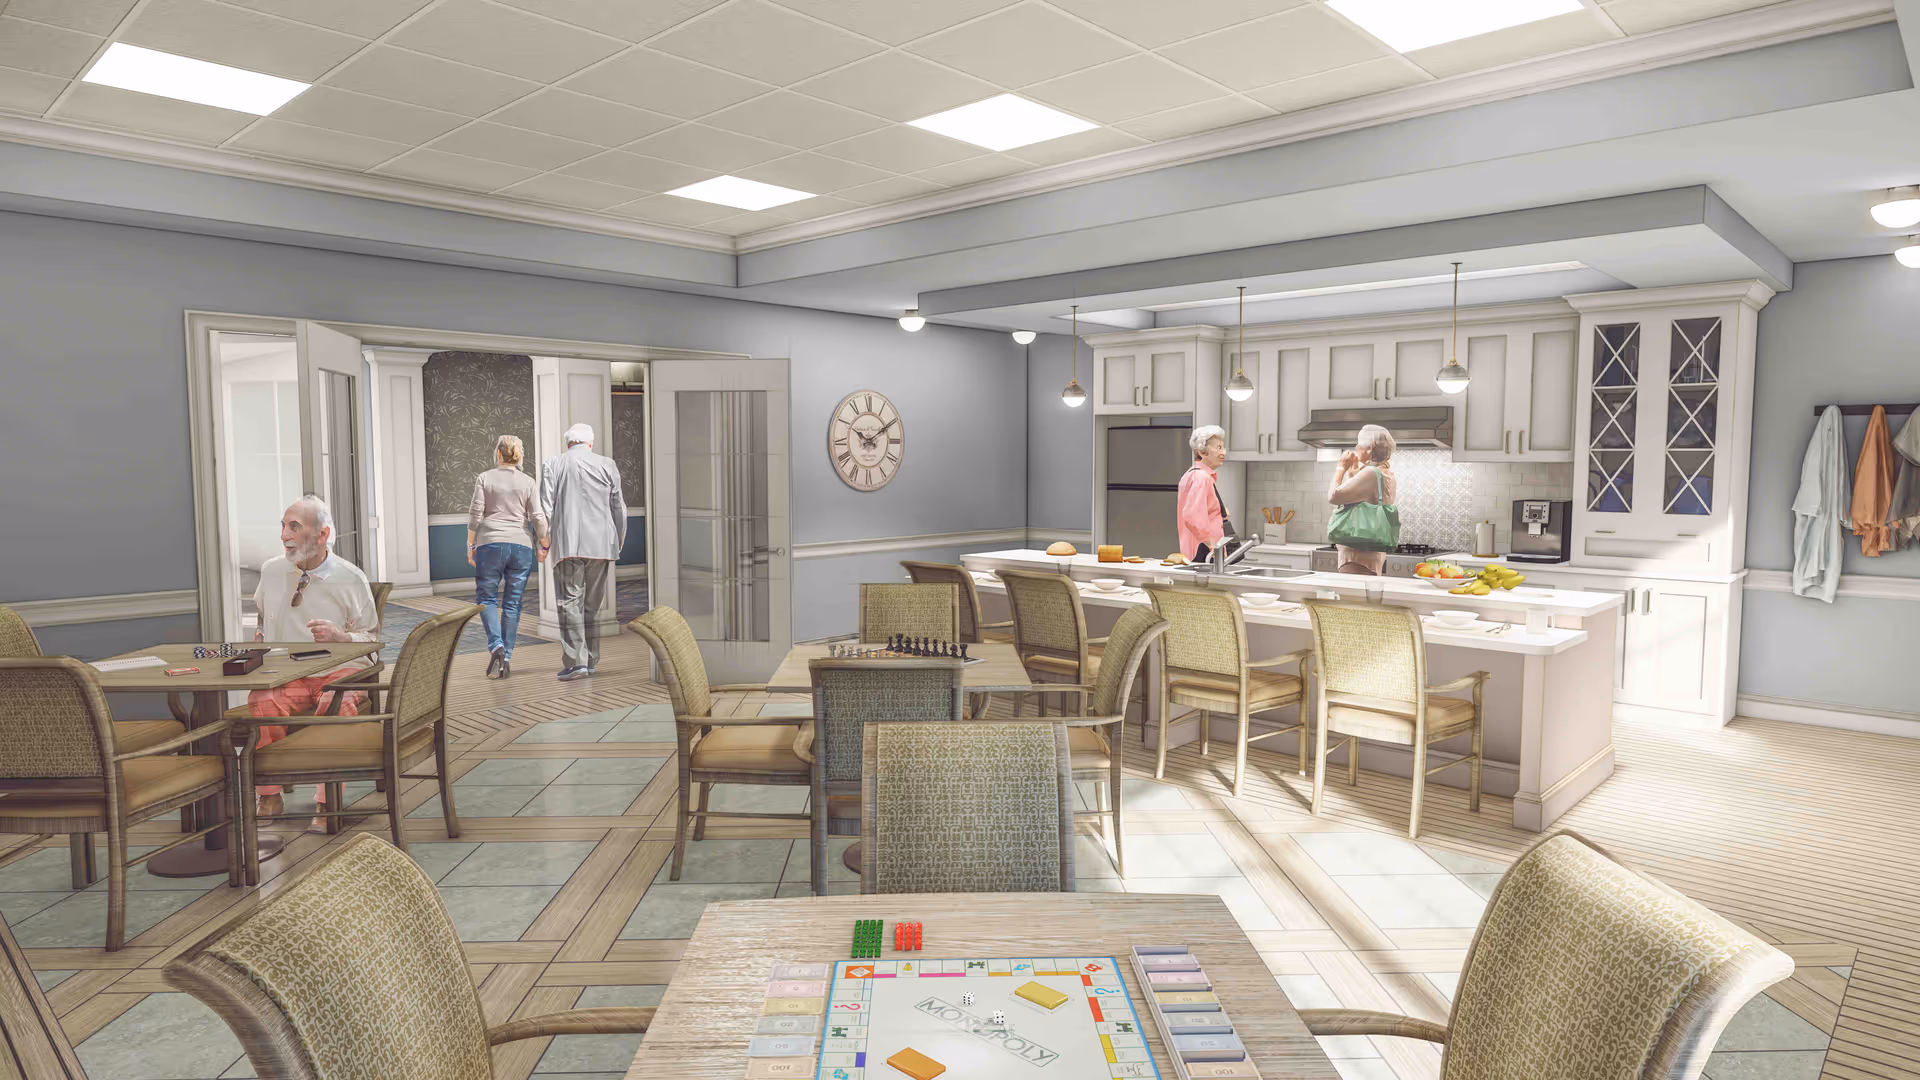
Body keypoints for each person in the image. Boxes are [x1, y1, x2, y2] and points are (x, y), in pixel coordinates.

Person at [249, 495, 380, 829]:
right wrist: (261, 636)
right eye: (283, 526)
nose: (284, 535)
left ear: (323, 535)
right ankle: (269, 795)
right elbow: (262, 618)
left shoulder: (351, 577)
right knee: (262, 700)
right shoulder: (271, 571)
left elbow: (372, 640)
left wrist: (342, 637)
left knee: (335, 701)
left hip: (340, 670)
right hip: (289, 672)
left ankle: (327, 800)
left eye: (294, 527)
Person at [541, 422, 625, 681]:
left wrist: (543, 543)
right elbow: (618, 507)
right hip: (602, 544)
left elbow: (545, 508)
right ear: (590, 443)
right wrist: (618, 541)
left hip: (569, 544)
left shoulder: (553, 464)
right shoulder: (608, 464)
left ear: (568, 443)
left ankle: (577, 662)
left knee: (569, 603)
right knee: (591, 606)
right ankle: (590, 661)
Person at [468, 434, 549, 679]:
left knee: (487, 598)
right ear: (519, 456)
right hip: (521, 546)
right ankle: (507, 658)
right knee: (513, 603)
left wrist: (471, 543)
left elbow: (476, 513)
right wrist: (544, 543)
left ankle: (497, 647)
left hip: (490, 544)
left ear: (498, 454)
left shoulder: (484, 478)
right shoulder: (528, 481)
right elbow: (537, 517)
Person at [1327, 424, 1399, 575]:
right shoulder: (1385, 473)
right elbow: (1361, 498)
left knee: (1352, 590)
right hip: (1370, 553)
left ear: (1369, 448)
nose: (1356, 447)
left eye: (1359, 444)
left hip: (1356, 556)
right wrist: (1353, 474)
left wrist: (1341, 468)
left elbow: (1334, 496)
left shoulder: (1371, 472)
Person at [1177, 424, 1231, 561]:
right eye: (1218, 447)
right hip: (1203, 552)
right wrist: (1212, 545)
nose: (1223, 452)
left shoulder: (1193, 474)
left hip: (1200, 550)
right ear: (1202, 452)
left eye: (1223, 447)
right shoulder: (1201, 477)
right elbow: (1192, 516)